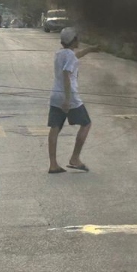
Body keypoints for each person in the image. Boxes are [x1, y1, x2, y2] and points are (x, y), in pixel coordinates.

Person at [48, 27, 98, 174]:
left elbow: (75, 57)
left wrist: (89, 50)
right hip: (69, 97)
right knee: (86, 124)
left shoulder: (60, 53)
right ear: (73, 40)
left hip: (55, 95)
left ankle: (53, 164)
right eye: (77, 38)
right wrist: (68, 99)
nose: (79, 40)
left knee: (55, 128)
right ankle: (75, 158)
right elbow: (66, 74)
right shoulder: (69, 55)